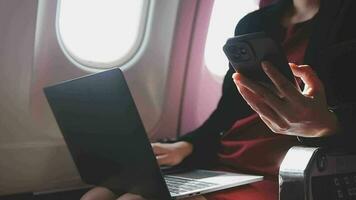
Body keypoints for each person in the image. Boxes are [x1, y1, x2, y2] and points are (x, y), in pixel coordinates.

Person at [82, 0, 356, 199]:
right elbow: (228, 111)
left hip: (284, 168)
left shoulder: (347, 18)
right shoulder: (255, 22)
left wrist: (330, 124)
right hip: (223, 159)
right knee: (97, 196)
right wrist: (187, 145)